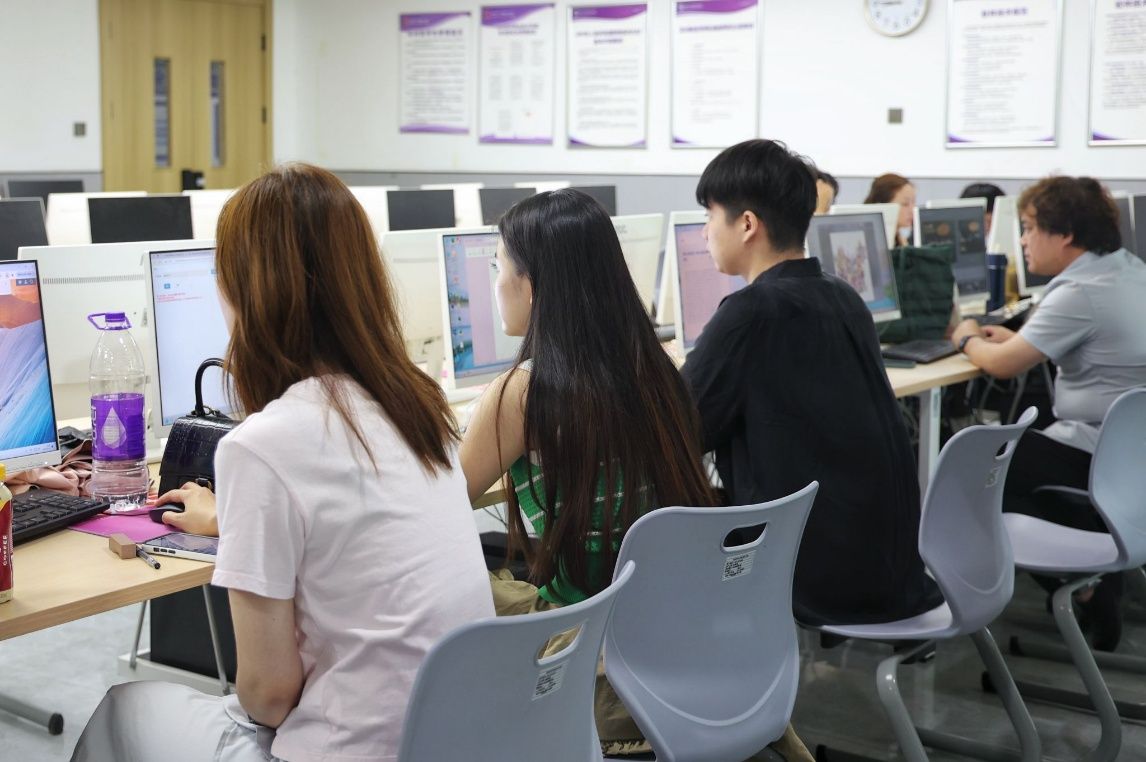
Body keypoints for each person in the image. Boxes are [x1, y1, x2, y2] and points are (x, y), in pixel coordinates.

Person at [71, 164, 495, 761]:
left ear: (247, 293)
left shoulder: (261, 447)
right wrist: (237, 522)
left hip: (353, 750)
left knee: (123, 709)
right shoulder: (419, 406)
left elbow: (269, 697)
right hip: (461, 738)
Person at [459, 189, 812, 761]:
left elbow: (443, 508)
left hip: (593, 655)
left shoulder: (522, 394)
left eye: (499, 266)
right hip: (683, 640)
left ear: (532, 284)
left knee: (451, 584)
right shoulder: (659, 371)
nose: (496, 282)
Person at [682, 140, 940, 628]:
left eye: (710, 215)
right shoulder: (843, 296)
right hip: (883, 565)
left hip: (809, 575)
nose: (704, 231)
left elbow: (676, 431)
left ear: (747, 224)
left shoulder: (751, 312)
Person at [950, 175, 1146, 650]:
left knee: (969, 466)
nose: (1022, 240)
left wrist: (965, 336)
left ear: (1065, 235)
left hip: (1099, 456)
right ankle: (1090, 577)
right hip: (1129, 458)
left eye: (1029, 227)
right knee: (1009, 456)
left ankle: (1084, 583)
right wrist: (1019, 341)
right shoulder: (1126, 270)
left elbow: (1002, 365)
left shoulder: (1079, 292)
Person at [864, 172, 916, 246]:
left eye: (913, 202)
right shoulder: (873, 243)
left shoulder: (900, 240)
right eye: (905, 204)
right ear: (883, 205)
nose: (912, 210)